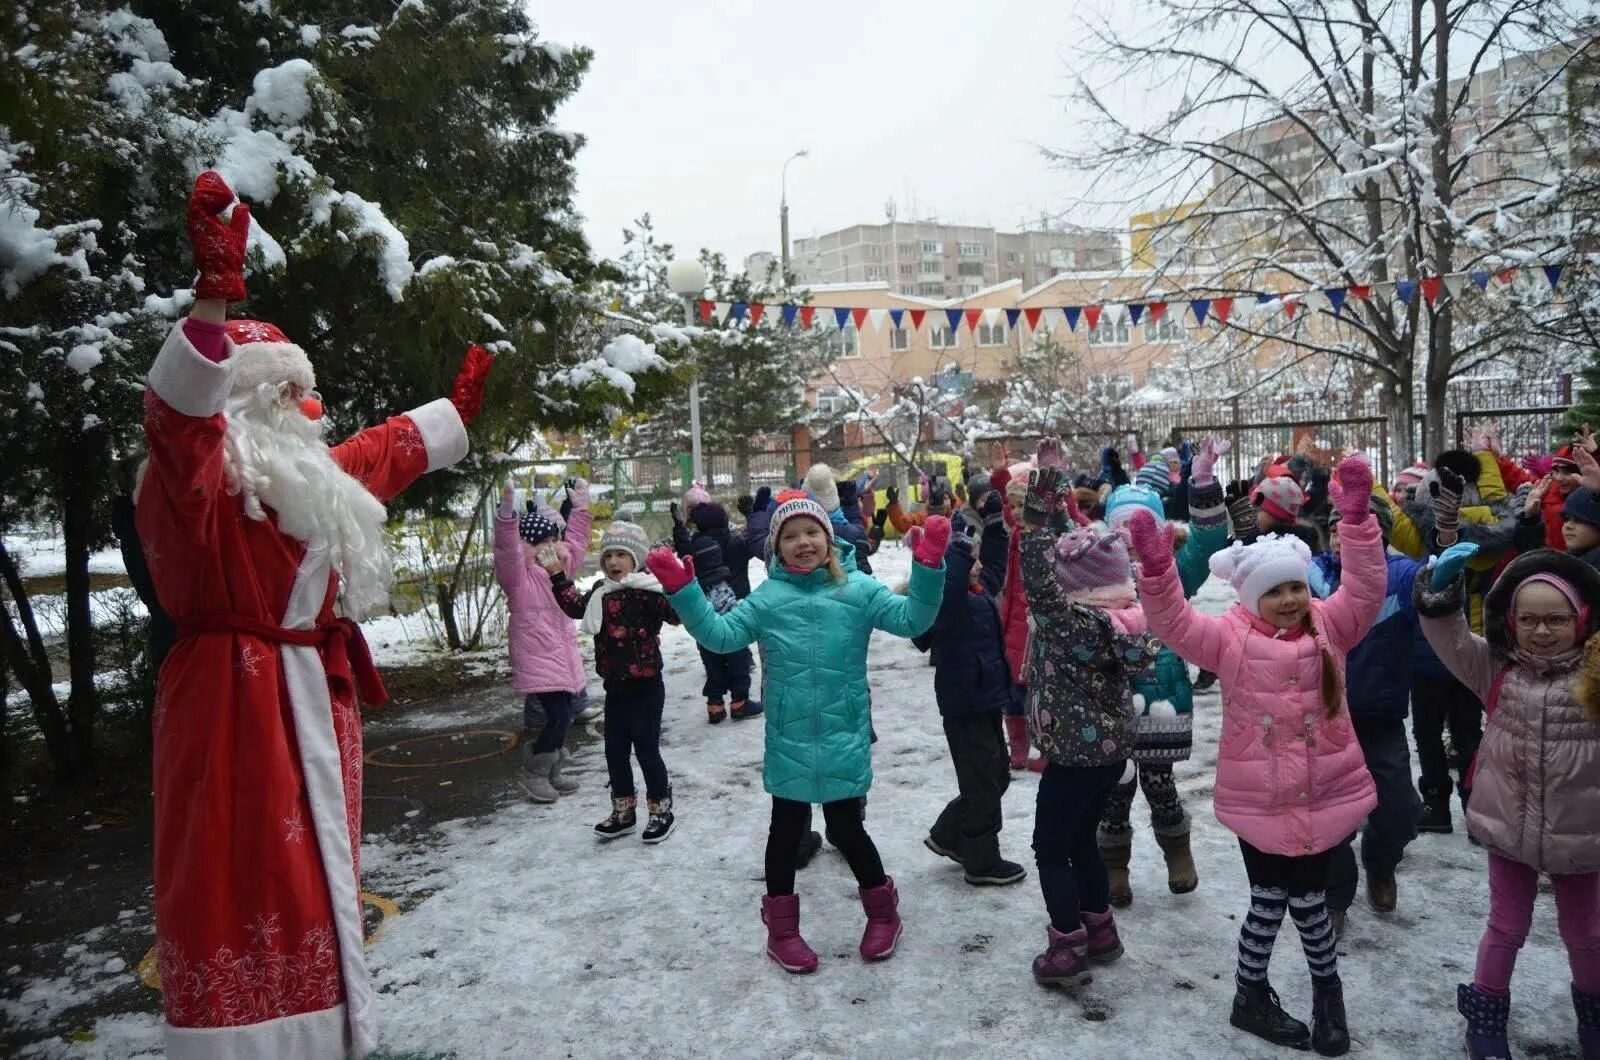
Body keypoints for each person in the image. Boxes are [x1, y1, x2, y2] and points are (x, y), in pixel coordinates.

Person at [138, 172, 483, 1057]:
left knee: (316, 874)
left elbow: (372, 456)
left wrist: (451, 417)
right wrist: (214, 298)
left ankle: (324, 1029)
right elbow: (180, 425)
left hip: (309, 698)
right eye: (285, 396)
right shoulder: (199, 487)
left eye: (303, 394)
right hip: (233, 710)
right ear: (242, 402)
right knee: (240, 874)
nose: (304, 410)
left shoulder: (308, 478)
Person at [1126, 454, 1384, 1056]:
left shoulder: (1331, 626)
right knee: (1271, 902)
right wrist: (1158, 568)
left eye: (1297, 586)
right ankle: (1250, 994)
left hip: (1324, 793)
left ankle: (1327, 992)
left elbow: (1366, 588)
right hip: (1261, 800)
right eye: (1276, 592)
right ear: (1250, 598)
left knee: (1311, 903)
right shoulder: (1230, 640)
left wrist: (1356, 519)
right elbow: (1173, 623)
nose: (1291, 599)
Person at [645, 493, 948, 973]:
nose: (803, 542)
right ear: (775, 549)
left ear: (828, 540)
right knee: (785, 832)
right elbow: (721, 636)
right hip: (788, 738)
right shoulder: (769, 599)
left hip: (843, 733)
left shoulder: (858, 589)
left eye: (812, 533)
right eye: (790, 536)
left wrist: (929, 567)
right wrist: (686, 593)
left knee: (848, 829)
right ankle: (782, 931)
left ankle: (884, 914)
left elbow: (915, 619)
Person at [1414, 544, 1600, 1060]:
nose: (1542, 631)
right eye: (1529, 620)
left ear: (1581, 619)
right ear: (1512, 622)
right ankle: (1487, 1020)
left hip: (1584, 829)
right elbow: (1449, 640)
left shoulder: (1597, 675)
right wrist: (1441, 596)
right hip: (1508, 829)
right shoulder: (1496, 669)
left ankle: (1595, 1018)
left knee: (1586, 934)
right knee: (1506, 927)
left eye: (1557, 619)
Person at [1018, 464, 1160, 992]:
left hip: (1074, 761)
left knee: (1051, 848)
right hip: (1108, 757)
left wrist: (1035, 522)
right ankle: (1101, 932)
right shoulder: (1121, 617)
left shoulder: (1070, 625)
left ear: (1075, 588)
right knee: (1082, 841)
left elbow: (1042, 581)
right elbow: (1069, 568)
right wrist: (1058, 508)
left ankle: (1066, 948)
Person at [1096, 438, 1231, 906]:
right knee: (1113, 790)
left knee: (1158, 783)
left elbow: (1211, 541)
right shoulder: (1095, 573)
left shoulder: (1173, 571)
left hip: (1161, 699)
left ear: (1160, 529)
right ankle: (1114, 866)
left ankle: (1178, 852)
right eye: (1123, 526)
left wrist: (1203, 481)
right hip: (1106, 699)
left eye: (1143, 525)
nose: (1132, 537)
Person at [1308, 492, 1423, 934]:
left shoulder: (1404, 576)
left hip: (1380, 717)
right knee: (1331, 815)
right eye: (1336, 527)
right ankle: (1336, 897)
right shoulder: (1311, 575)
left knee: (1398, 808)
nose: (1342, 535)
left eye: (1357, 526)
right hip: (1323, 720)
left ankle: (1381, 861)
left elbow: (1437, 613)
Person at [548, 521, 681, 843]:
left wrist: (677, 582)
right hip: (615, 689)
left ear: (636, 559)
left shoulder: (649, 592)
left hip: (647, 687)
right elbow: (575, 607)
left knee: (647, 751)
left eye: (621, 554)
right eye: (608, 555)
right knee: (615, 751)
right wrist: (556, 575)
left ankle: (661, 809)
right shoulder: (600, 593)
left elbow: (678, 614)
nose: (613, 562)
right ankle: (624, 811)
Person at [914, 512, 1026, 886]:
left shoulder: (977, 595)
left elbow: (994, 565)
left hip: (987, 699)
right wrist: (956, 548)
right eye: (969, 560)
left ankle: (949, 834)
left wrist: (994, 526)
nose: (977, 566)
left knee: (996, 775)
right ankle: (981, 860)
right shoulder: (945, 606)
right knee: (982, 783)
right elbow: (950, 582)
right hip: (964, 704)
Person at [493, 481, 593, 801]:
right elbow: (507, 552)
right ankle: (536, 771)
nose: (552, 546)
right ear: (530, 545)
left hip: (562, 654)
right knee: (560, 716)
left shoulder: (559, 572)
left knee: (563, 715)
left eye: (554, 538)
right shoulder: (519, 578)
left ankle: (551, 770)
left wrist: (580, 509)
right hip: (537, 655)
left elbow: (576, 542)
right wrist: (507, 516)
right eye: (543, 541)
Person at [672, 499, 762, 723]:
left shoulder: (696, 546)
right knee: (738, 655)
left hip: (705, 613)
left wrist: (678, 527)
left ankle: (714, 705)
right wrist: (752, 515)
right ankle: (740, 702)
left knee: (711, 658)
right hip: (736, 605)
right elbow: (756, 544)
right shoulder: (735, 542)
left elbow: (682, 549)